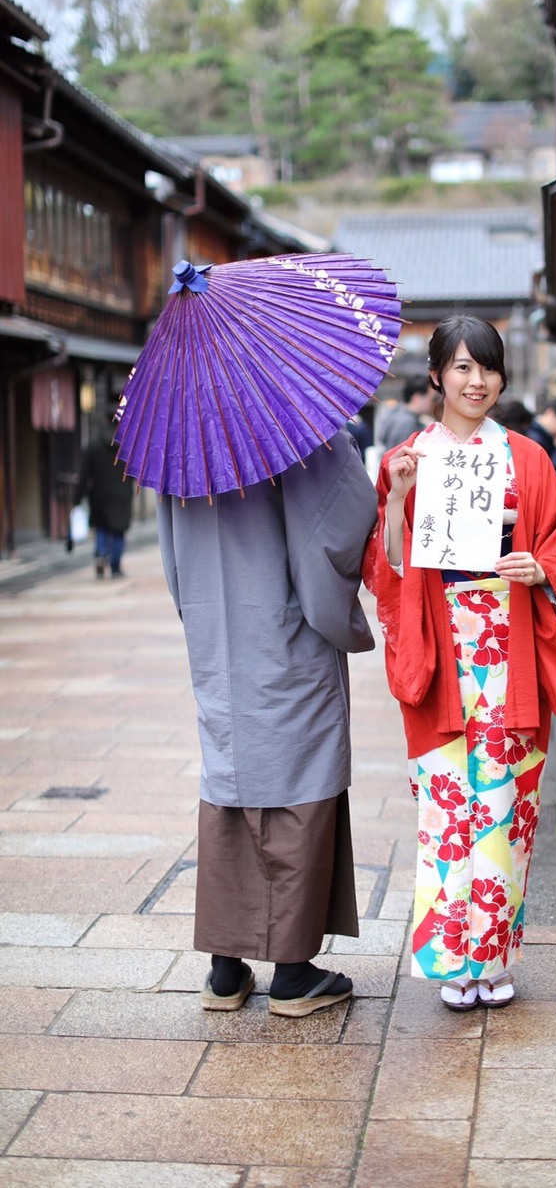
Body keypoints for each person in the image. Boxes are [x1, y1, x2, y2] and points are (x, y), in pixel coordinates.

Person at [363, 316, 556, 1011]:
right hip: (441, 651)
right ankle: (451, 962)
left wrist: (536, 566)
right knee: (446, 809)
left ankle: (491, 960)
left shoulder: (526, 455)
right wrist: (399, 495)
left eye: (486, 367)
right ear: (436, 375)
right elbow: (390, 566)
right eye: (461, 367)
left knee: (504, 807)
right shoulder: (409, 456)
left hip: (508, 645)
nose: (476, 380)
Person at [157, 428, 378, 1017]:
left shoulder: (177, 430)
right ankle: (292, 971)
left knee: (230, 780)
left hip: (217, 627)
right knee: (299, 779)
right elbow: (334, 528)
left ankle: (225, 970)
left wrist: (203, 616)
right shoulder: (294, 425)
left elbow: (172, 555)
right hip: (286, 626)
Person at [76, 413, 135, 578]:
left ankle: (101, 555)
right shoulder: (127, 445)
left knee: (101, 527)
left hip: (99, 493)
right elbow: (134, 471)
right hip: (122, 494)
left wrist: (77, 498)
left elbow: (84, 474)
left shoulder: (93, 444)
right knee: (118, 530)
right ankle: (115, 566)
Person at [376, 375, 437, 450]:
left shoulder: (394, 412)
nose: (432, 403)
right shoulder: (408, 422)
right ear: (417, 398)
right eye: (431, 399)